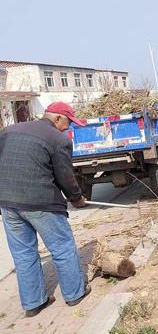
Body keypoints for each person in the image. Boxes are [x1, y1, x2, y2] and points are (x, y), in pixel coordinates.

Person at [0, 102, 91, 317]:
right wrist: (76, 199)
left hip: (8, 203)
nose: (67, 128)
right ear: (57, 118)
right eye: (67, 123)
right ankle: (74, 294)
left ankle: (33, 303)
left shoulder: (9, 131)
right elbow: (65, 176)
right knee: (62, 247)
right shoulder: (58, 139)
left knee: (23, 254)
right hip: (40, 204)